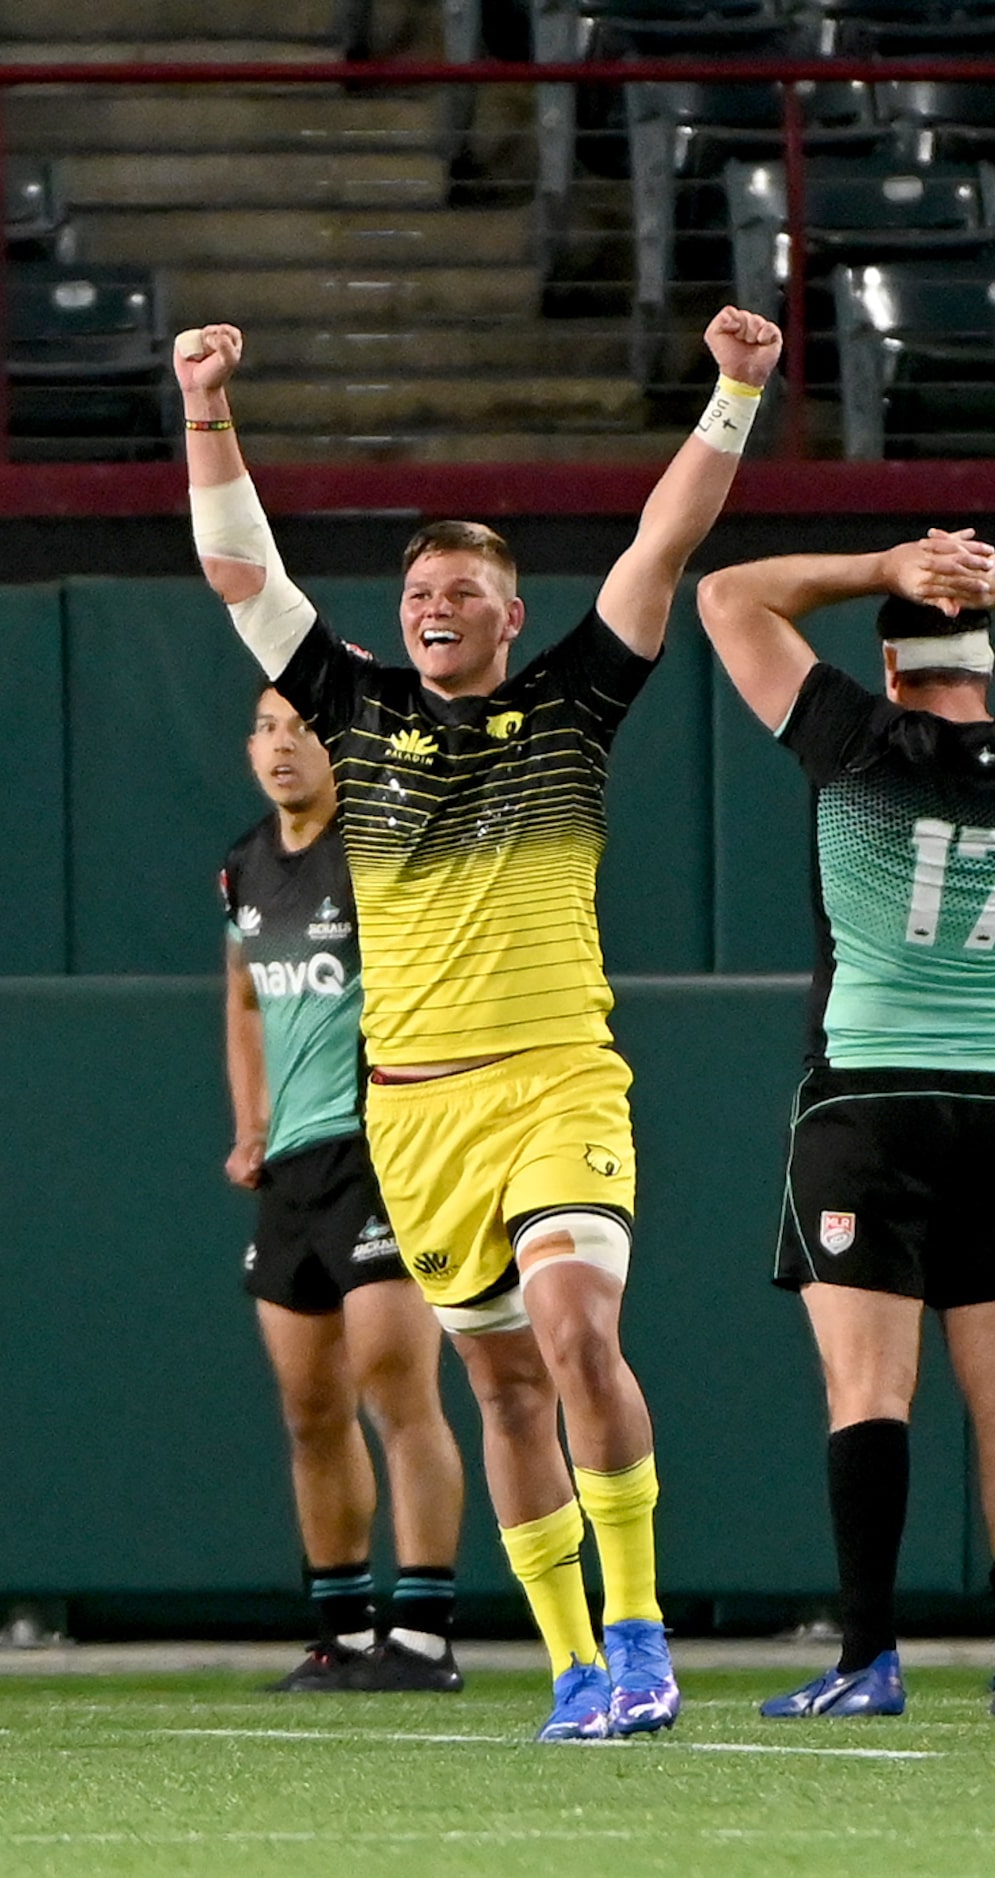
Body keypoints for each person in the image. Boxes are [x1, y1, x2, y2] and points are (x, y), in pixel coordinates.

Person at [180, 307, 783, 1742]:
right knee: (505, 1389)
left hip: (554, 1080)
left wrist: (735, 392)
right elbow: (234, 568)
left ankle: (638, 1632)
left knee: (577, 1334)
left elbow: (661, 543)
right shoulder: (354, 708)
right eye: (416, 588)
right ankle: (575, 1665)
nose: (432, 603)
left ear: (510, 614)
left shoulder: (574, 701)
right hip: (415, 1111)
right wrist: (203, 404)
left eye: (460, 587)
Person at [694, 532, 995, 1719]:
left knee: (869, 1387)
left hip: (870, 1091)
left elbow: (725, 593)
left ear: (894, 662)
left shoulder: (856, 734)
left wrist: (881, 563)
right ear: (986, 658)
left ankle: (868, 1659)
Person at [223, 684, 466, 1694]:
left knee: (394, 1385)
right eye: (265, 728)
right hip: (294, 1172)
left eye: (303, 728)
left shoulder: (379, 851)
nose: (281, 747)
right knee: (309, 1406)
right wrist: (251, 1126)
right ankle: (337, 1632)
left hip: (384, 1153)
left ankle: (422, 1631)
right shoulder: (242, 867)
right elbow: (241, 994)